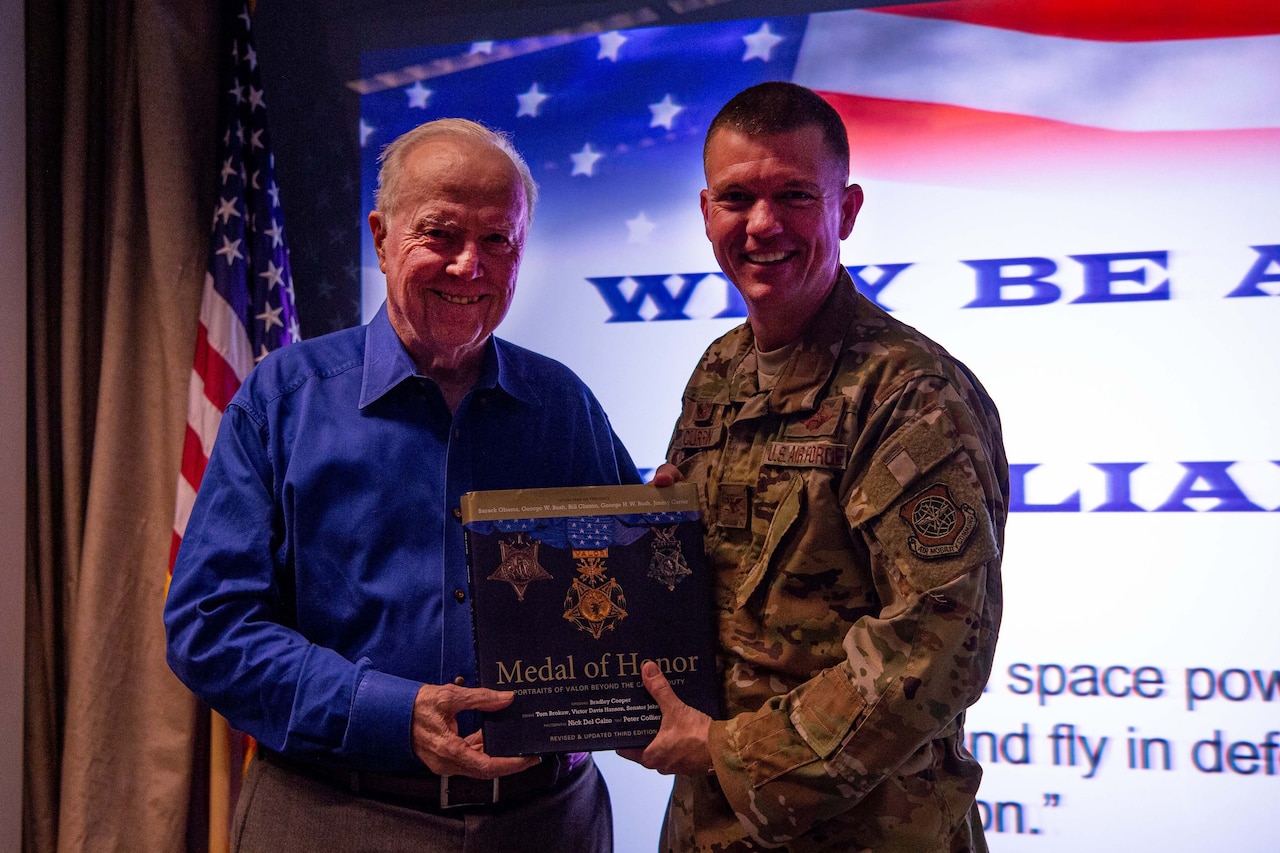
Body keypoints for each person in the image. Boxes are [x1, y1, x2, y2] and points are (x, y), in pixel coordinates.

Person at [165, 118, 638, 852]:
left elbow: (633, 603)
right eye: (441, 234)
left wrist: (667, 534)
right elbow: (208, 627)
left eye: (497, 240)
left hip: (547, 821)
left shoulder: (564, 406)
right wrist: (387, 711)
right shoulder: (280, 401)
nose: (468, 265)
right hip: (334, 817)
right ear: (382, 238)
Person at [618, 82, 1010, 852]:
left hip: (867, 832)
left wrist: (726, 751)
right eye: (737, 197)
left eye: (794, 194)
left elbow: (939, 641)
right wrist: (648, 543)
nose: (763, 224)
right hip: (711, 825)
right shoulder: (718, 373)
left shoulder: (909, 392)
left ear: (848, 209)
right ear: (706, 215)